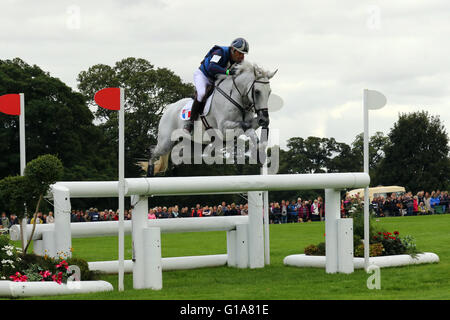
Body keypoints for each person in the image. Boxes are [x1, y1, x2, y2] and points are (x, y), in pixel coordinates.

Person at [184, 38, 249, 134]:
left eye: (243, 54)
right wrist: (228, 72)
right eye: (240, 53)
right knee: (201, 94)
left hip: (216, 79)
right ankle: (190, 123)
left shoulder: (239, 61)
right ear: (233, 50)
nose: (242, 56)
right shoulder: (220, 52)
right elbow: (212, 67)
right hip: (203, 75)